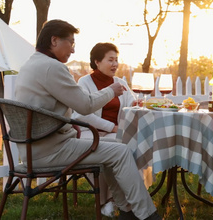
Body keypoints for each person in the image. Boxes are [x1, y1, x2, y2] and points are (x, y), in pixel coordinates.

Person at [14, 20, 161, 220]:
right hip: (51, 150)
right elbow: (84, 105)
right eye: (71, 43)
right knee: (121, 151)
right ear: (54, 40)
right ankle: (146, 215)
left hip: (34, 149)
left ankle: (128, 211)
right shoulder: (52, 67)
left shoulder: (31, 64)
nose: (73, 50)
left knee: (115, 148)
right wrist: (111, 91)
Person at [72, 42, 137, 140]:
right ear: (97, 62)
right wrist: (112, 128)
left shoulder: (120, 82)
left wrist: (135, 104)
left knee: (135, 141)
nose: (115, 64)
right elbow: (82, 114)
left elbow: (131, 102)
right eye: (110, 60)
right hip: (91, 132)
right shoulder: (84, 81)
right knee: (125, 144)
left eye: (116, 60)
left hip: (116, 132)